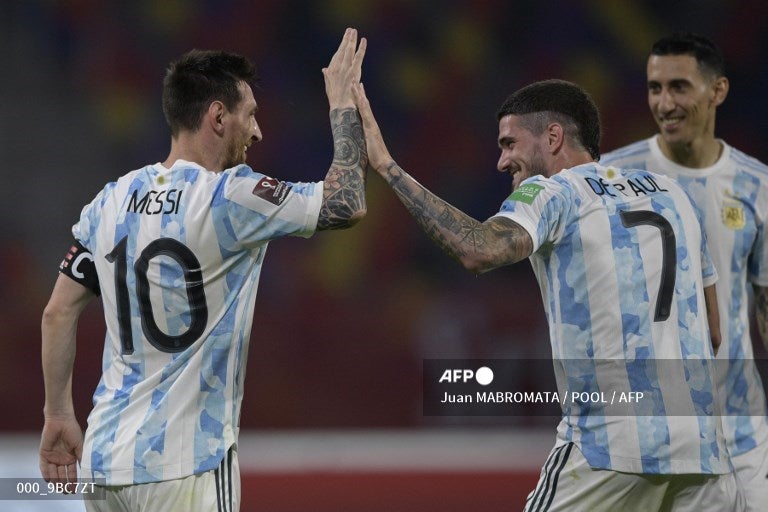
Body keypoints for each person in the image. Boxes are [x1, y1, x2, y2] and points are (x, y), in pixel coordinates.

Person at [352, 78, 744, 510]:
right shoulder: (674, 195)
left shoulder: (554, 192)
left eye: (510, 143)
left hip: (611, 449)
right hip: (706, 453)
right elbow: (713, 332)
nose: (502, 161)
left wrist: (387, 166)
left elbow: (480, 250)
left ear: (553, 137)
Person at [39, 28, 367, 512]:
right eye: (249, 114)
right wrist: (342, 105)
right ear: (217, 116)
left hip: (105, 464)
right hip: (187, 464)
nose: (257, 131)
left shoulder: (110, 201)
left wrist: (57, 414)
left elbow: (57, 312)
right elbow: (347, 203)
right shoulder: (231, 196)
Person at [600, 32, 768, 511]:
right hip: (644, 426)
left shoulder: (757, 186)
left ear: (718, 91)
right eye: (655, 88)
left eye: (679, 87)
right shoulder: (613, 179)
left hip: (738, 423)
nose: (664, 103)